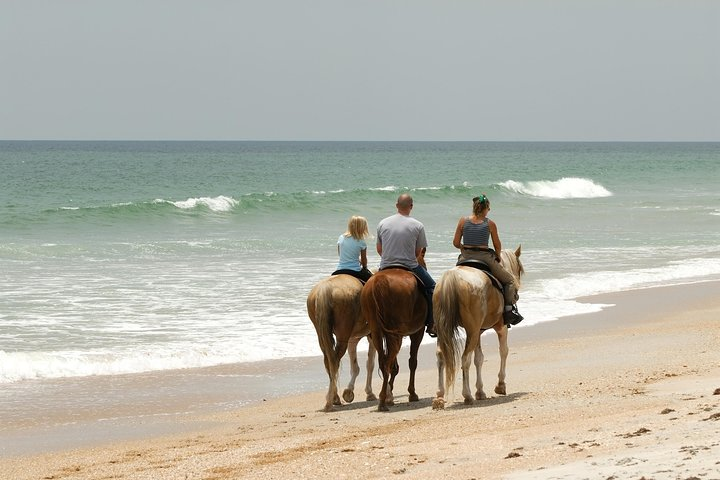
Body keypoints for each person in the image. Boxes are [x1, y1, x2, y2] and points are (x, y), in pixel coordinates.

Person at [453, 194, 523, 326]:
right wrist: (497, 255)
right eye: (489, 208)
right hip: (484, 257)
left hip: (465, 257)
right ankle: (508, 311)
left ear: (474, 208)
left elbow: (456, 242)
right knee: (510, 280)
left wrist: (463, 248)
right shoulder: (490, 223)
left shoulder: (463, 221)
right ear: (485, 209)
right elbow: (497, 245)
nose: (488, 211)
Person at [376, 194, 436, 337]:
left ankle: (367, 322)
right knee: (433, 287)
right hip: (410, 266)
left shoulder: (382, 223)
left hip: (385, 265)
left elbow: (380, 250)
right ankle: (432, 323)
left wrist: (390, 259)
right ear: (411, 207)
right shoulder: (418, 225)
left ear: (396, 205)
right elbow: (417, 252)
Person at [332, 215, 373, 283]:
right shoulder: (361, 241)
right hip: (355, 270)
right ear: (362, 228)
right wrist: (364, 267)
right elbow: (364, 260)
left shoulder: (341, 237)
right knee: (372, 284)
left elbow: (340, 254)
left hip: (339, 270)